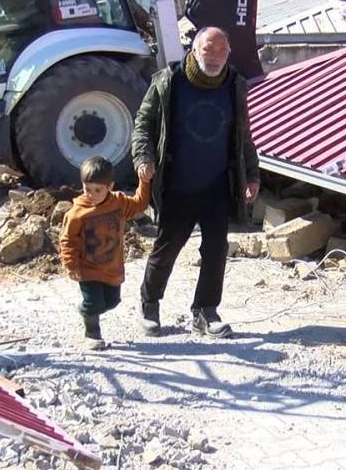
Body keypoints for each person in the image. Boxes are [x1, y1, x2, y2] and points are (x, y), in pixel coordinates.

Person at [131, 27, 261, 339]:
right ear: (193, 50)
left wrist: (252, 174)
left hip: (217, 184)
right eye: (208, 50)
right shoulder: (169, 82)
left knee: (216, 249)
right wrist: (143, 158)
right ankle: (149, 305)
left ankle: (205, 311)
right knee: (167, 249)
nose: (215, 57)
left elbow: (243, 135)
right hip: (177, 184)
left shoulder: (234, 85)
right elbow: (143, 123)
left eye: (221, 51)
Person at [59, 156, 151, 349]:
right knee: (94, 303)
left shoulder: (118, 203)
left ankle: (89, 310)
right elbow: (67, 240)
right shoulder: (77, 213)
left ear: (110, 186)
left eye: (97, 190)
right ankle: (92, 333)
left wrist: (144, 181)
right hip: (87, 268)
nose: (91, 194)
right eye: (87, 189)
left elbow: (140, 204)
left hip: (112, 267)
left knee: (112, 301)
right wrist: (71, 265)